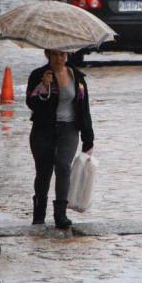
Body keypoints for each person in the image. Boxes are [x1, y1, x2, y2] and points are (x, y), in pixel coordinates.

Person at [25, 49, 95, 229]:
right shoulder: (38, 75)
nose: (59, 58)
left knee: (64, 166)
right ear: (48, 55)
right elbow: (31, 103)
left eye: (63, 54)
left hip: (69, 129)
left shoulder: (77, 77)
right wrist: (43, 86)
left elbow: (84, 108)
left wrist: (88, 138)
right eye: (55, 54)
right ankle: (39, 213)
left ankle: (60, 214)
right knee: (44, 171)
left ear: (68, 55)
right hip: (43, 129)